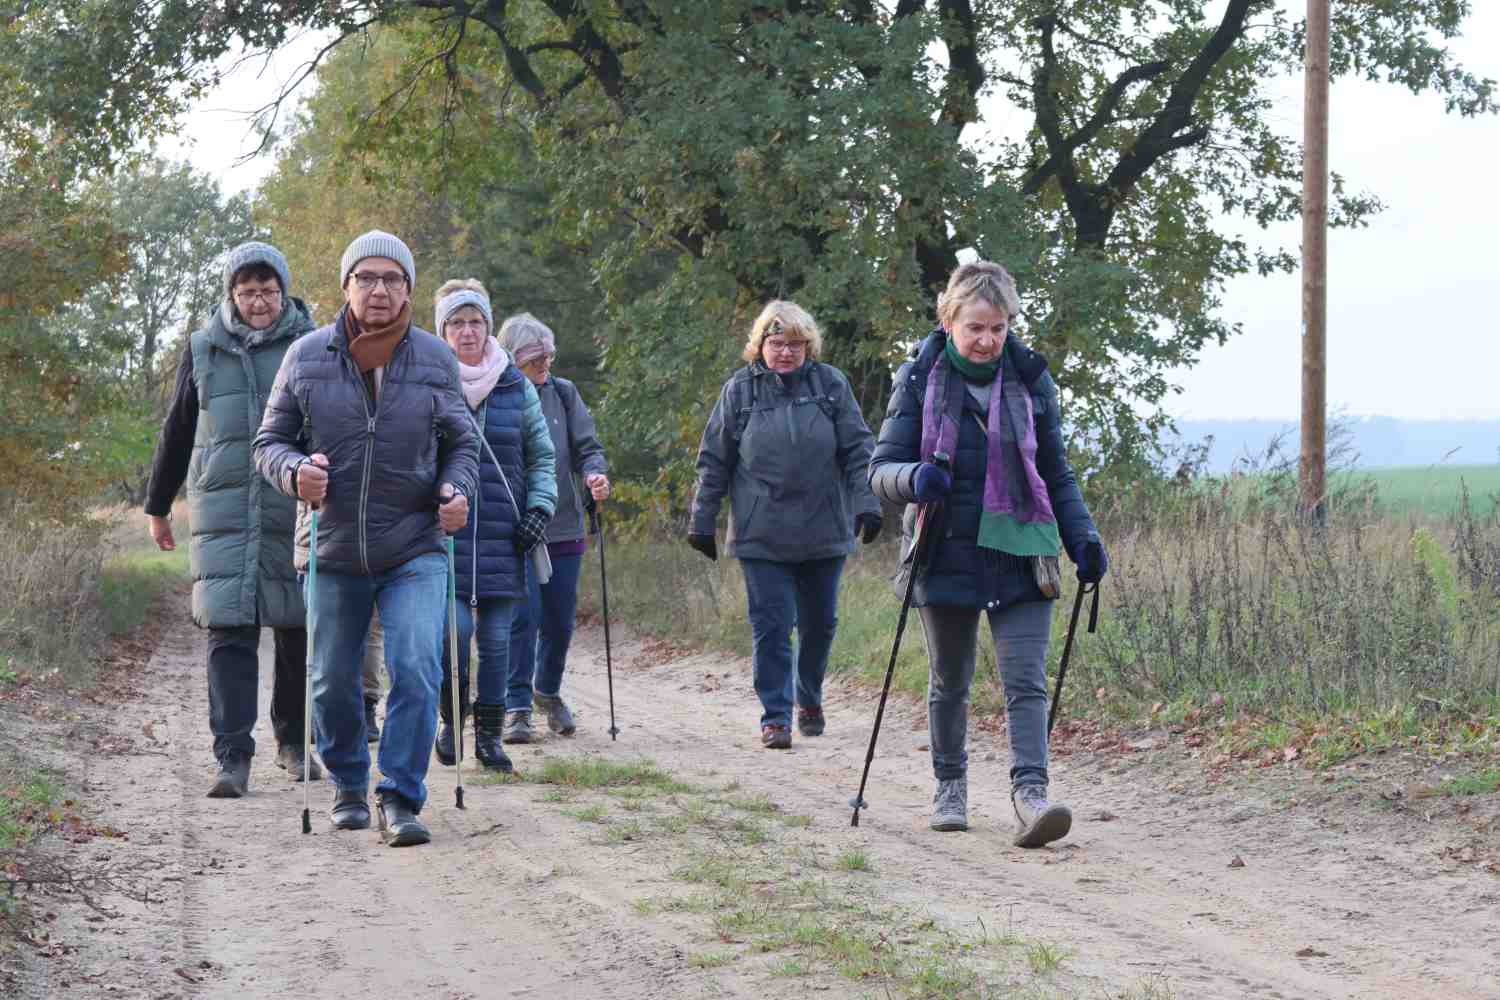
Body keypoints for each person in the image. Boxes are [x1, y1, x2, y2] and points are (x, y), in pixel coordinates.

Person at [867, 259, 1108, 846]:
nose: (987, 340)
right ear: (949, 320)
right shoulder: (920, 379)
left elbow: (1055, 471)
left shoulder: (1031, 380)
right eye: (975, 327)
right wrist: (914, 478)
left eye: (998, 328)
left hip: (1022, 549)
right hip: (943, 548)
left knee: (1025, 680)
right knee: (950, 680)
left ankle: (1032, 795)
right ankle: (950, 785)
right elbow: (880, 471)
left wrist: (1083, 536)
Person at [253, 230, 479, 847]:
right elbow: (267, 443)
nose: (380, 290)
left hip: (415, 541)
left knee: (416, 666)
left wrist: (456, 492)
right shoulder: (305, 356)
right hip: (332, 544)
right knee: (330, 677)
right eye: (367, 278)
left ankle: (401, 796)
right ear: (346, 286)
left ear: (409, 289)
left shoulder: (434, 358)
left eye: (393, 280)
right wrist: (295, 473)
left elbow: (462, 443)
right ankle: (350, 783)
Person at [144, 241, 319, 798]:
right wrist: (157, 505)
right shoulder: (203, 349)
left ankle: (293, 743)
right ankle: (232, 756)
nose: (259, 302)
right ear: (231, 295)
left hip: (294, 504)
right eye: (247, 292)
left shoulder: (315, 344)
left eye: (268, 291)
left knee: (296, 631)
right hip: (223, 511)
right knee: (229, 633)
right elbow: (177, 429)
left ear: (284, 291)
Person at [689, 300, 882, 749]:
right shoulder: (740, 391)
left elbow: (858, 449)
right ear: (760, 346)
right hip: (762, 531)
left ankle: (808, 696)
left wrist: (867, 504)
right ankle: (775, 715)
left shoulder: (831, 385)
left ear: (808, 346)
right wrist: (703, 519)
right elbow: (714, 459)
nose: (786, 353)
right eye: (777, 344)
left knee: (821, 623)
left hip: (824, 527)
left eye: (795, 344)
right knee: (772, 625)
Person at [436, 283, 557, 770]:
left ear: (488, 326)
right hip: (444, 533)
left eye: (476, 322)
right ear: (443, 331)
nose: (468, 332)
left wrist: (541, 508)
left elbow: (541, 455)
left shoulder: (515, 384)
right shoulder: (427, 380)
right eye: (457, 323)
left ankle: (489, 738)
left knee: (497, 643)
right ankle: (450, 719)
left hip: (507, 533)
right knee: (454, 638)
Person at [497, 314, 609, 743]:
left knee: (560, 621)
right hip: (516, 526)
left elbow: (587, 448)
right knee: (524, 617)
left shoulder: (563, 393)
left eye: (548, 354)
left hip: (564, 524)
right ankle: (516, 705)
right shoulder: (500, 392)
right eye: (535, 356)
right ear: (514, 357)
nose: (545, 362)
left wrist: (595, 475)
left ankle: (548, 690)